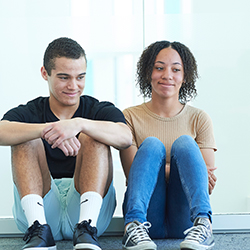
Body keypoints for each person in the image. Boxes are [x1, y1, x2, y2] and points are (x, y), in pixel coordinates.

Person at [0, 37, 132, 250]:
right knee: (26, 136)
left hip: (84, 208)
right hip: (43, 207)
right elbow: (1, 131)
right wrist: (46, 130)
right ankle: (38, 230)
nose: (73, 86)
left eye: (80, 77)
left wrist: (79, 125)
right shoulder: (31, 110)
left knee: (94, 134)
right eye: (63, 77)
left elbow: (125, 138)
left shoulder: (98, 109)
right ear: (45, 73)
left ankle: (87, 229)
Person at [119, 40, 217, 250]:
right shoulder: (129, 116)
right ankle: (132, 226)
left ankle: (204, 224)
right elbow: (133, 176)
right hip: (145, 218)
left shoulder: (199, 118)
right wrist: (187, 170)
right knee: (152, 145)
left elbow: (207, 185)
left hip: (186, 222)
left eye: (176, 69)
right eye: (159, 68)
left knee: (185, 143)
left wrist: (157, 169)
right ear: (148, 72)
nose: (167, 75)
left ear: (185, 76)